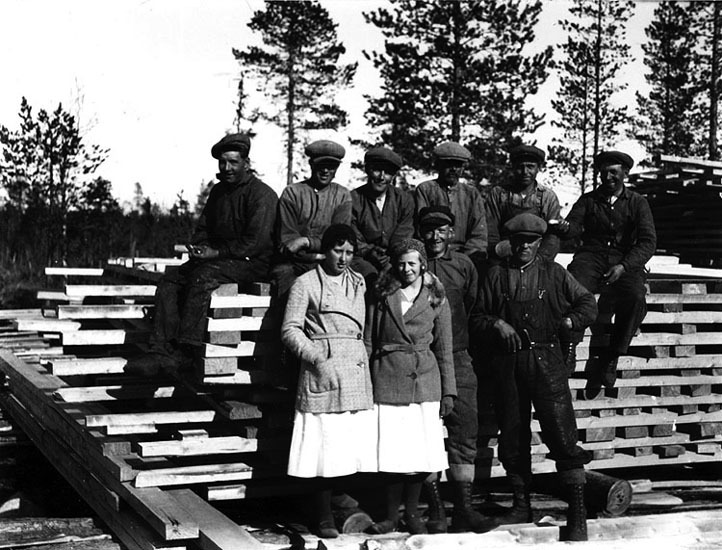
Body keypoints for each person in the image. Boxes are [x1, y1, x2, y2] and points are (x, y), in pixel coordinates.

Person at [473, 213, 597, 541]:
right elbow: (476, 316)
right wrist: (496, 324)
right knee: (513, 436)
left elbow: (587, 302)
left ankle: (577, 511)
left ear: (539, 243)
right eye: (518, 241)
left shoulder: (555, 274)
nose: (523, 246)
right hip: (508, 365)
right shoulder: (496, 275)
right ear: (509, 244)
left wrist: (571, 322)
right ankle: (521, 504)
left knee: (561, 433)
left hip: (547, 362)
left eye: (530, 241)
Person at [126, 133, 278, 375]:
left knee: (202, 276)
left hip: (253, 262)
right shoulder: (218, 192)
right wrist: (199, 248)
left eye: (233, 162)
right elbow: (204, 228)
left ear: (246, 164)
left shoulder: (262, 195)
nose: (226, 168)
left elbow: (255, 243)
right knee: (171, 278)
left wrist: (215, 252)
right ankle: (161, 349)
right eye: (222, 162)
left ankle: (185, 351)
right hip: (220, 259)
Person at [281, 224, 376, 539]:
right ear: (325, 250)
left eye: (350, 252)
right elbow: (290, 329)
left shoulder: (359, 282)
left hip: (354, 368)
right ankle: (323, 517)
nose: (344, 258)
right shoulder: (305, 283)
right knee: (324, 445)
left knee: (345, 446)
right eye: (338, 251)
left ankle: (340, 504)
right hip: (323, 369)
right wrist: (317, 356)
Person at [364, 239, 456, 535]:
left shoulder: (436, 296)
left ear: (422, 265)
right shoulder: (382, 294)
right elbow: (368, 340)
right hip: (388, 377)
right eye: (402, 263)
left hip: (424, 380)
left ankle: (414, 514)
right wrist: (365, 383)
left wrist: (448, 391)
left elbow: (444, 347)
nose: (407, 269)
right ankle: (391, 516)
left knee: (419, 453)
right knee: (392, 451)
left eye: (413, 263)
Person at [418, 206, 492, 533]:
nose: (435, 236)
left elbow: (475, 306)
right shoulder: (410, 265)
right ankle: (435, 511)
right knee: (424, 432)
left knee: (465, 430)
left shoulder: (464, 266)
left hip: (459, 356)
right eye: (429, 230)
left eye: (442, 230)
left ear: (451, 232)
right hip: (421, 360)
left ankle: (464, 510)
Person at [557, 150, 657, 388]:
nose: (608, 177)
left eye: (614, 172)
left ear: (625, 173)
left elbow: (648, 242)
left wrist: (624, 266)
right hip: (591, 256)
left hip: (625, 260)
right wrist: (564, 227)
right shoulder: (589, 200)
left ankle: (612, 356)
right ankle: (569, 346)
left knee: (634, 297)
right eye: (604, 172)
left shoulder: (637, 203)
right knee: (573, 287)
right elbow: (573, 228)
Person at [271, 139, 352, 301]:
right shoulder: (292, 193)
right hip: (294, 264)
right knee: (285, 281)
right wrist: (313, 251)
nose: (326, 171)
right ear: (311, 164)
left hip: (328, 262)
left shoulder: (343, 196)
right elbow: (288, 242)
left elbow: (338, 239)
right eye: (321, 165)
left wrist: (306, 242)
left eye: (332, 166)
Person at [414, 142, 487, 271]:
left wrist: (466, 259)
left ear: (463, 168)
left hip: (465, 256)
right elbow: (421, 229)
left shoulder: (471, 194)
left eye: (458, 165)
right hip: (432, 254)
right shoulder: (425, 190)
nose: (453, 169)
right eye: (448, 164)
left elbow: (478, 234)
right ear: (438, 165)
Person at [485, 144, 563, 262]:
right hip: (505, 254)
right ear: (512, 167)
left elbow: (553, 236)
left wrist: (541, 259)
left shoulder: (547, 197)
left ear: (538, 168)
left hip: (535, 254)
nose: (525, 172)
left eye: (530, 167)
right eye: (520, 167)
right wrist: (497, 254)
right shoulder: (499, 194)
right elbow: (490, 230)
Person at [350, 146, 414, 283]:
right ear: (367, 170)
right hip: (362, 258)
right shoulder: (353, 199)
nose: (381, 177)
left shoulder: (403, 200)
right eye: (377, 170)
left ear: (394, 176)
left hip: (395, 257)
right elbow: (353, 236)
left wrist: (392, 260)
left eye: (388, 173)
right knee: (369, 277)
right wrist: (368, 251)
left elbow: (404, 234)